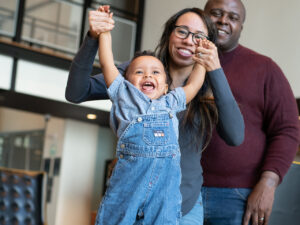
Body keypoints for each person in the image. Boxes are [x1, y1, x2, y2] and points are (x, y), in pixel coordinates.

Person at [65, 6, 245, 225]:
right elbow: (76, 92)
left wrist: (214, 68)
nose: (189, 40)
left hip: (182, 210)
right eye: (182, 31)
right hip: (130, 204)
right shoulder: (138, 73)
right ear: (169, 34)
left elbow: (236, 136)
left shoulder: (205, 87)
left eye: (198, 37)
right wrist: (95, 37)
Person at [96, 5, 210, 224]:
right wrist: (104, 32)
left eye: (155, 72)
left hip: (164, 193)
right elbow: (106, 63)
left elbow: (194, 84)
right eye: (139, 72)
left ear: (166, 86)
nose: (148, 75)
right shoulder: (124, 96)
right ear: (126, 82)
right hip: (129, 186)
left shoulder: (171, 102)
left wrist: (202, 57)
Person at [201, 0, 300, 225]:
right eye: (216, 13)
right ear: (203, 16)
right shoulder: (183, 61)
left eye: (233, 17)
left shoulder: (265, 69)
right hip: (180, 190)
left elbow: (287, 131)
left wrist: (268, 183)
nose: (223, 21)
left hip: (238, 196)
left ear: (241, 26)